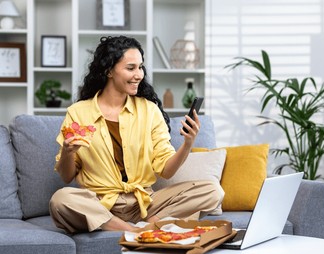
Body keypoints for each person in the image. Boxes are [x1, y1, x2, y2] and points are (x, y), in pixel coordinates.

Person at [49, 36, 222, 233]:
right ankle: (134, 231)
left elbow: (166, 170)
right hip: (99, 204)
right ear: (109, 71)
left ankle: (148, 224)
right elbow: (66, 176)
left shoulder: (149, 110)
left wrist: (188, 144)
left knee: (212, 191)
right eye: (131, 68)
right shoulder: (78, 112)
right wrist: (67, 151)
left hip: (145, 205)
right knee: (61, 199)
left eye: (140, 67)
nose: (139, 75)